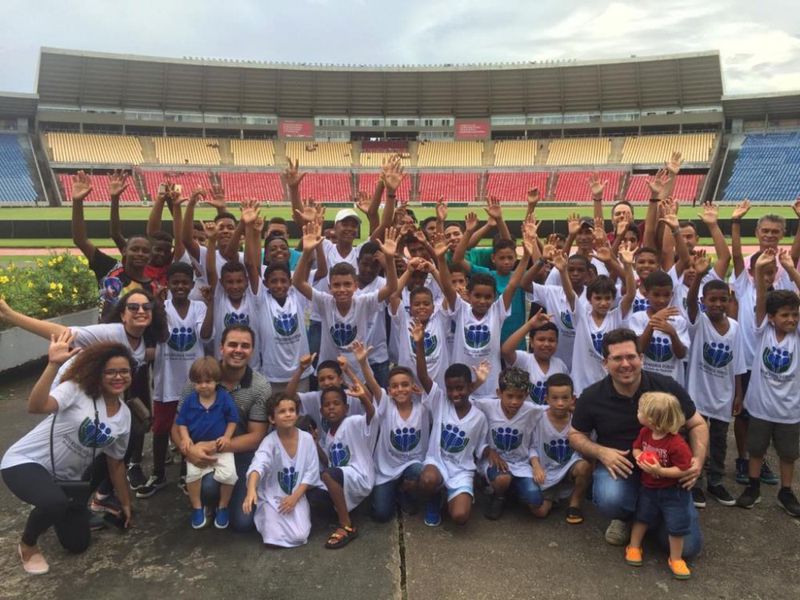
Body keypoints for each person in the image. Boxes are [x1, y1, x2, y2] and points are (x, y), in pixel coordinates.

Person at [0, 289, 168, 492]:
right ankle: (65, 489)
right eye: (133, 307)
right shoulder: (112, 332)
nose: (140, 310)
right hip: (72, 390)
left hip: (95, 395)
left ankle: (90, 494)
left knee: (117, 441)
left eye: (146, 307)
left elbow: (161, 352)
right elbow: (64, 334)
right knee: (90, 442)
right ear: (123, 315)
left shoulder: (142, 346)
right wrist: (11, 316)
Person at [568, 328, 708, 558]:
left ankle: (650, 516)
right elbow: (575, 434)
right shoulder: (592, 396)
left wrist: (698, 461)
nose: (625, 364)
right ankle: (626, 516)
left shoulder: (665, 386)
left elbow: (698, 424)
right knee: (611, 499)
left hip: (667, 473)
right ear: (605, 363)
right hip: (622, 466)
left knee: (689, 550)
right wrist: (601, 452)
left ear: (641, 358)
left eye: (631, 356)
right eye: (617, 358)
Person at [1, 333, 133, 575]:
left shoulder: (124, 416)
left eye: (124, 371)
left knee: (77, 545)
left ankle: (52, 508)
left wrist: (126, 504)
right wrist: (53, 365)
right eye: (111, 371)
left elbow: (116, 464)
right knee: (54, 502)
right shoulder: (77, 390)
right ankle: (28, 545)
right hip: (25, 462)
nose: (118, 377)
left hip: (67, 482)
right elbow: (36, 406)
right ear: (98, 373)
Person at [172, 324, 271, 533]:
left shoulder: (260, 386)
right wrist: (188, 450)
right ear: (221, 348)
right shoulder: (199, 377)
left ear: (252, 351)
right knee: (207, 488)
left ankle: (226, 503)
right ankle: (208, 503)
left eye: (245, 346)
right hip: (202, 452)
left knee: (243, 523)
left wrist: (214, 446)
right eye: (232, 344)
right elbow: (176, 424)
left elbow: (257, 436)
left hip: (241, 454)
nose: (238, 350)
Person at [139, 262, 213, 499]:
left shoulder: (200, 307)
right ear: (168, 285)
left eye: (185, 282)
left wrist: (211, 304)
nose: (180, 286)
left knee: (190, 430)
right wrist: (157, 306)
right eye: (175, 282)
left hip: (193, 383)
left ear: (192, 285)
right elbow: (162, 335)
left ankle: (184, 472)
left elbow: (204, 335)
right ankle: (159, 473)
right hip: (167, 380)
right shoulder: (161, 308)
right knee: (161, 429)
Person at [735, 249, 800, 516]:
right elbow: (762, 301)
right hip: (761, 406)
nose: (791, 320)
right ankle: (753, 486)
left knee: (788, 453)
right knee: (756, 449)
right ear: (772, 317)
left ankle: (786, 491)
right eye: (785, 315)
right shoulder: (763, 330)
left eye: (795, 315)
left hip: (789, 409)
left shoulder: (798, 335)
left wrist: (791, 270)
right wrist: (761, 271)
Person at [684, 259, 745, 508]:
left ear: (729, 301)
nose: (718, 304)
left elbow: (738, 365)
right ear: (704, 301)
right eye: (712, 300)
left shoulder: (736, 327)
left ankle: (716, 481)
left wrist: (738, 395)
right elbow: (689, 304)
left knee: (719, 441)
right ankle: (695, 482)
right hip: (698, 393)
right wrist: (698, 277)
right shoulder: (699, 323)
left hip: (723, 395)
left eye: (723, 300)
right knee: (696, 439)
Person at [415, 328, 488, 527]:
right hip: (437, 462)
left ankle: (451, 495)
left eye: (460, 388)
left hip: (461, 470)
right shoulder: (440, 401)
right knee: (429, 479)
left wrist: (492, 454)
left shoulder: (479, 416)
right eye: (450, 388)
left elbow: (482, 446)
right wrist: (420, 344)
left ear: (469, 387)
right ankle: (433, 497)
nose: (455, 393)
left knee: (459, 517)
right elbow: (422, 376)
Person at [69, 171, 159, 320]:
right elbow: (80, 240)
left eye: (145, 251)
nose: (140, 254)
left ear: (150, 257)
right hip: (105, 340)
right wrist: (77, 202)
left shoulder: (153, 287)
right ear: (124, 251)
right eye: (135, 249)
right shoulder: (109, 269)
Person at [626, 392, 694, 580]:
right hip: (648, 487)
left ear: (653, 419)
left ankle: (676, 558)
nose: (637, 412)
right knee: (641, 516)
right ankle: (633, 546)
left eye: (641, 410)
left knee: (677, 524)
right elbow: (637, 447)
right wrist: (639, 457)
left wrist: (661, 471)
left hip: (673, 492)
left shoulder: (677, 443)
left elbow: (684, 469)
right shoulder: (645, 433)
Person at [242, 393, 321, 547]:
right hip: (272, 496)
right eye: (282, 411)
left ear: (297, 414)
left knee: (300, 535)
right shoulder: (269, 442)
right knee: (272, 537)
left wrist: (295, 497)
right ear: (272, 419)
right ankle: (267, 515)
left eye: (291, 410)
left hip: (296, 494)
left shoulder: (307, 439)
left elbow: (311, 472)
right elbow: (258, 465)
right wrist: (251, 490)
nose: (288, 414)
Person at [559, 242, 637, 395]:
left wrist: (627, 266)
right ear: (589, 299)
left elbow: (631, 294)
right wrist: (562, 271)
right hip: (581, 385)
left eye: (608, 298)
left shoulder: (616, 316)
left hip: (611, 385)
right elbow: (570, 294)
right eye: (598, 298)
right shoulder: (581, 316)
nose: (603, 303)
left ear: (613, 299)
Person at [310, 380, 376, 549]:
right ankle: (350, 509)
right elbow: (329, 462)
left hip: (359, 475)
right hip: (341, 476)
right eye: (327, 405)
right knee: (314, 495)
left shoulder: (352, 422)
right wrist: (315, 443)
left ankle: (346, 525)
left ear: (346, 408)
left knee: (327, 475)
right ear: (321, 411)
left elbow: (371, 414)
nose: (331, 407)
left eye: (337, 403)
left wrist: (363, 398)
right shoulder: (329, 435)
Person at [176, 357, 240, 529]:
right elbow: (181, 422)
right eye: (199, 382)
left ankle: (223, 506)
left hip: (221, 446)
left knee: (230, 476)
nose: (203, 386)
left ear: (217, 381)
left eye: (208, 381)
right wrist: (185, 438)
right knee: (192, 476)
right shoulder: (190, 400)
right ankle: (197, 507)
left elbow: (232, 420)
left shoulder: (224, 398)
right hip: (197, 446)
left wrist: (227, 437)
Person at [473, 367, 542, 521]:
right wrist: (487, 451)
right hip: (493, 461)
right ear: (499, 393)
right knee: (503, 479)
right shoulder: (485, 406)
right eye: (509, 396)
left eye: (520, 397)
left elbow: (556, 409)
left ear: (527, 395)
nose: (514, 402)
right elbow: (463, 400)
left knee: (535, 499)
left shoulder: (533, 411)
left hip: (520, 463)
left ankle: (510, 490)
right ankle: (498, 496)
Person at [370, 366, 430, 522]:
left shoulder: (423, 406)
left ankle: (406, 489)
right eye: (395, 386)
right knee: (381, 515)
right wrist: (363, 363)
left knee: (422, 472)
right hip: (386, 469)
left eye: (405, 384)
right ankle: (394, 488)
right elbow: (372, 384)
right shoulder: (385, 406)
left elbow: (438, 398)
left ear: (413, 386)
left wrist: (423, 393)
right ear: (389, 391)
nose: (400, 389)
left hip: (413, 464)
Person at [530, 374, 592, 523]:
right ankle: (552, 497)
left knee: (584, 467)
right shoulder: (538, 418)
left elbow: (588, 446)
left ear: (573, 399)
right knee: (540, 512)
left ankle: (575, 504)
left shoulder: (578, 420)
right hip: (546, 472)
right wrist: (536, 466)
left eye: (565, 398)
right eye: (555, 398)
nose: (560, 403)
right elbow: (530, 446)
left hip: (568, 468)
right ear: (546, 399)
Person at [629, 271, 690, 386]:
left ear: (672, 295)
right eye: (656, 295)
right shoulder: (637, 318)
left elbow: (681, 354)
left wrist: (672, 333)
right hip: (645, 383)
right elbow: (639, 349)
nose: (662, 300)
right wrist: (653, 322)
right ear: (646, 294)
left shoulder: (679, 320)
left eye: (666, 295)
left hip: (672, 383)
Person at [501, 310, 569, 409]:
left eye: (551, 340)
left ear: (557, 343)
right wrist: (530, 325)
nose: (546, 344)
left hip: (549, 419)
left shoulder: (560, 365)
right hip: (526, 418)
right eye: (541, 339)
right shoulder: (524, 359)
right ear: (532, 342)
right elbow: (506, 351)